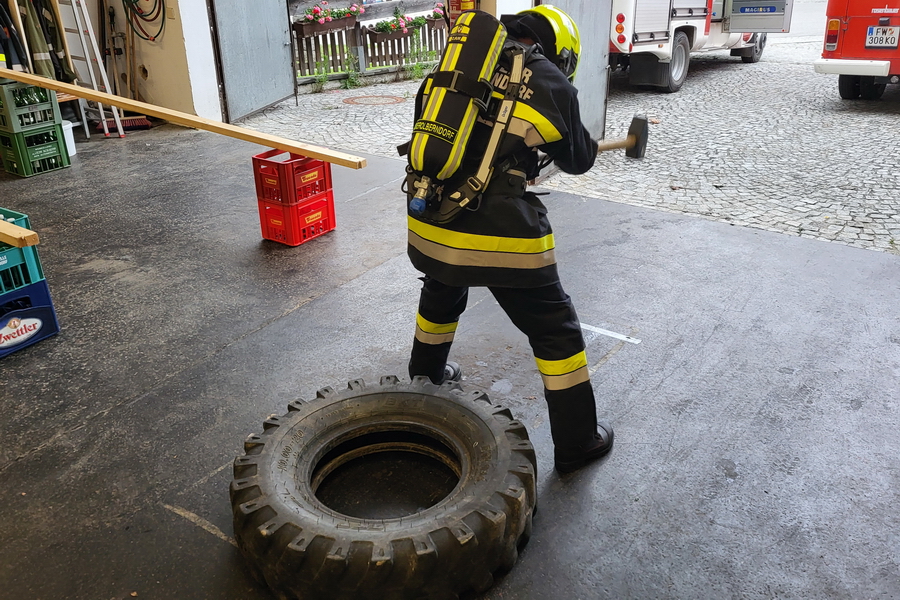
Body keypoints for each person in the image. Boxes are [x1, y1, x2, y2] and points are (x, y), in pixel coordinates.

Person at [405, 5, 613, 474]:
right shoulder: (550, 80)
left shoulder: (461, 65)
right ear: (561, 52)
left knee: (443, 285)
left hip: (430, 221)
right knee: (555, 329)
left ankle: (424, 377)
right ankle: (578, 441)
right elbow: (578, 160)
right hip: (495, 234)